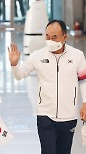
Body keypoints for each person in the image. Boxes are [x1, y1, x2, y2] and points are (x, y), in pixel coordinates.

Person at [8, 20, 86, 154]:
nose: (50, 40)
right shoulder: (37, 55)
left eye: (54, 37)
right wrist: (14, 65)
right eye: (47, 36)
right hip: (45, 115)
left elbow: (83, 80)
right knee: (48, 151)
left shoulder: (77, 55)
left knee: (64, 151)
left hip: (69, 116)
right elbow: (20, 75)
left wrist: (85, 102)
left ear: (64, 37)